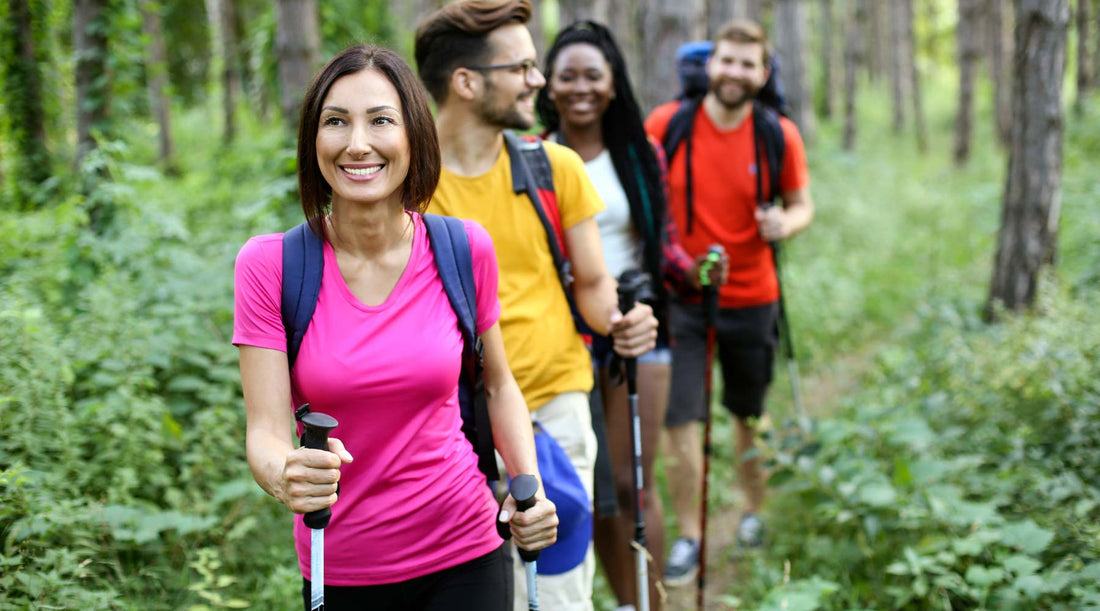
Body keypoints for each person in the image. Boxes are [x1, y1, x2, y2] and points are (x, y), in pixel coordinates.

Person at [232, 44, 557, 611]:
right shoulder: (271, 266)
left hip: (467, 549)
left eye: (381, 120)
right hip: (343, 563)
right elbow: (263, 430)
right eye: (336, 122)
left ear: (413, 138)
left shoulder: (463, 248)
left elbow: (500, 385)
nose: (358, 143)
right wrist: (285, 473)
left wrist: (528, 491)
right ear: (314, 141)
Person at [415, 3, 659, 610]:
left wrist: (622, 322)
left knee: (556, 597)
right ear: (467, 83)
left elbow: (594, 286)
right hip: (450, 430)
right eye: (522, 66)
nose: (538, 79)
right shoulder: (408, 183)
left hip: (555, 406)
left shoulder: (556, 168)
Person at [535, 21, 723, 611]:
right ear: (551, 85)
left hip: (640, 329)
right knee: (593, 489)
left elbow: (660, 243)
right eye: (568, 76)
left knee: (630, 483)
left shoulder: (641, 154)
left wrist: (691, 273)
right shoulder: (532, 156)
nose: (581, 87)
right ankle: (618, 599)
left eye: (594, 75)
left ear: (614, 84)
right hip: (565, 334)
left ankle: (651, 603)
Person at [644, 20, 815, 585]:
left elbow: (801, 204)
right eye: (727, 61)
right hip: (682, 297)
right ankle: (691, 536)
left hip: (752, 295)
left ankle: (754, 513)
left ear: (763, 74)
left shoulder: (777, 134)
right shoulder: (668, 125)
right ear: (709, 64)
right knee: (679, 419)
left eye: (748, 64)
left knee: (748, 414)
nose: (735, 73)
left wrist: (781, 223)